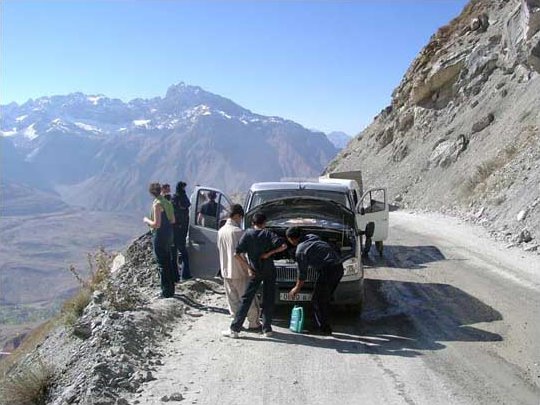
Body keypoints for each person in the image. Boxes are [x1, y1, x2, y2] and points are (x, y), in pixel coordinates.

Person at [222, 213, 287, 338]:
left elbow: (236, 254)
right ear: (264, 223)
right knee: (269, 299)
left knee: (246, 299)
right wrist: (269, 254)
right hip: (269, 270)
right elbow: (283, 246)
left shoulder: (248, 234)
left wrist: (248, 268)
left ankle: (235, 329)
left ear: (253, 223)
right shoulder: (268, 233)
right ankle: (267, 329)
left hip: (255, 270)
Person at [285, 227, 344, 335]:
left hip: (328, 271)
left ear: (291, 239)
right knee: (325, 298)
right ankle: (323, 322)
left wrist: (296, 289)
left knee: (317, 301)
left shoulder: (301, 251)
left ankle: (323, 329)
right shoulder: (312, 236)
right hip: (339, 268)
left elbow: (302, 274)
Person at [217, 204, 261, 330]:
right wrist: (249, 267)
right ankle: (254, 323)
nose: (240, 220)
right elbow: (242, 253)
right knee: (248, 299)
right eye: (240, 218)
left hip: (226, 270)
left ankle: (236, 323)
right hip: (240, 270)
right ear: (237, 216)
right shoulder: (238, 232)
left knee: (233, 299)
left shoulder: (221, 231)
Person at [143, 182, 175, 298]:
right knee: (168, 261)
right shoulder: (167, 202)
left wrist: (146, 220)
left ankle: (165, 291)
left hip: (160, 235)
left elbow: (156, 224)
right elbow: (173, 220)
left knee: (162, 264)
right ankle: (171, 289)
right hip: (169, 234)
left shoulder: (157, 204)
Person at [171, 181, 192, 281]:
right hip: (177, 230)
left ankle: (182, 275)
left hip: (182, 229)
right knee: (179, 253)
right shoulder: (175, 198)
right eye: (183, 187)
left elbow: (187, 205)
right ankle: (179, 276)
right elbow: (174, 212)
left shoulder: (183, 197)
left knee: (181, 253)